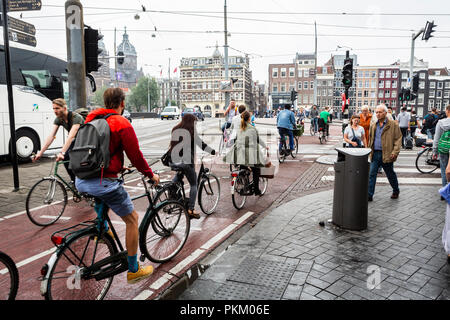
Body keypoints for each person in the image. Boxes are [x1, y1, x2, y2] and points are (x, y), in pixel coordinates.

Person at [75, 88, 160, 284]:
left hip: (81, 180)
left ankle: (101, 229)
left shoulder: (90, 121)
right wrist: (150, 175)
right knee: (132, 219)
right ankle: (133, 270)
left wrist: (117, 166)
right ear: (122, 103)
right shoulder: (121, 123)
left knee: (102, 198)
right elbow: (136, 156)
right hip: (103, 181)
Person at [169, 113, 215, 219]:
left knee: (179, 174)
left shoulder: (175, 129)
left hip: (173, 161)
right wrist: (212, 151)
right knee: (194, 184)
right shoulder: (192, 132)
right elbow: (201, 144)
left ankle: (172, 191)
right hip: (185, 162)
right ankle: (191, 209)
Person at [32, 99, 84, 183]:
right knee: (66, 158)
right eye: (53, 108)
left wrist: (62, 153)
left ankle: (82, 181)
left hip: (86, 140)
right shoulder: (59, 119)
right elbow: (52, 136)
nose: (55, 111)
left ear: (64, 108)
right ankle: (74, 181)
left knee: (69, 156)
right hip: (76, 140)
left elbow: (71, 136)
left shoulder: (76, 117)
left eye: (57, 108)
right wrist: (40, 153)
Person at [224, 111, 267, 196]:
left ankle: (245, 184)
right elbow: (257, 140)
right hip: (248, 153)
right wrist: (265, 146)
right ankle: (256, 189)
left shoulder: (240, 128)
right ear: (249, 119)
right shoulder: (252, 128)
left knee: (243, 166)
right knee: (256, 170)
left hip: (238, 152)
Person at [367, 104, 402, 201]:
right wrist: (369, 150)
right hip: (375, 153)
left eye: (380, 112)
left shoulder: (393, 124)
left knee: (390, 174)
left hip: (387, 154)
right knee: (371, 174)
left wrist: (395, 152)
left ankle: (396, 190)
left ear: (385, 113)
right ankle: (369, 195)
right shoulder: (374, 125)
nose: (378, 114)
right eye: (376, 112)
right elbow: (371, 139)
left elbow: (398, 139)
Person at [432, 104, 450, 189]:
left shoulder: (441, 122)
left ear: (448, 111)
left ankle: (445, 191)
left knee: (444, 170)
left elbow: (436, 138)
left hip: (444, 149)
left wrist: (434, 151)